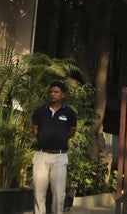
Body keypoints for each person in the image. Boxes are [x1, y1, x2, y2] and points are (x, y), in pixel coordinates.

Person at [31, 81, 78, 214]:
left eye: (56, 92)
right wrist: (45, 139)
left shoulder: (69, 113)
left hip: (60, 156)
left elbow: (72, 131)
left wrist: (60, 139)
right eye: (51, 91)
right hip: (41, 156)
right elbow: (35, 130)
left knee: (58, 192)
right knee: (38, 192)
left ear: (63, 94)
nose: (52, 94)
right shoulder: (40, 111)